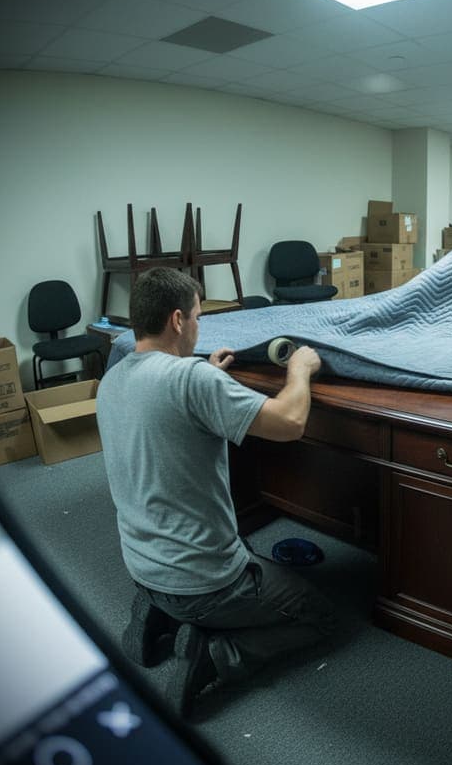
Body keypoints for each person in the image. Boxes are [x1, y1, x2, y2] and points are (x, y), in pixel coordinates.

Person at [96, 267, 335, 717]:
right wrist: (300, 371)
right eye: (198, 317)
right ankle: (217, 655)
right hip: (203, 582)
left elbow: (166, 405)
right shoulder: (190, 382)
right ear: (178, 321)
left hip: (142, 564)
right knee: (321, 616)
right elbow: (289, 422)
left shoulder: (112, 380)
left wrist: (204, 373)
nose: (199, 325)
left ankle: (158, 613)